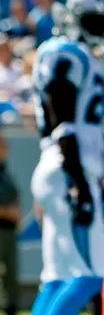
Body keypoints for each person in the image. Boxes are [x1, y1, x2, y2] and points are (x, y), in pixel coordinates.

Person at [29, 0, 104, 315]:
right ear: (68, 18)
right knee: (90, 277)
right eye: (91, 19)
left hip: (60, 165)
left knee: (57, 278)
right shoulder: (65, 52)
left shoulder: (67, 52)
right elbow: (61, 119)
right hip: (68, 167)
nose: (99, 27)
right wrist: (78, 181)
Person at [0, 130, 19, 315]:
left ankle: (10, 308)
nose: (5, 148)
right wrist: (7, 212)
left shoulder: (5, 170)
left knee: (9, 275)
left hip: (8, 229)